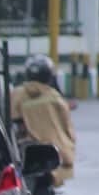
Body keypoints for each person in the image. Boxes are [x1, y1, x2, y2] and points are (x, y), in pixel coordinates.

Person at [10, 55, 76, 186]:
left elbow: (11, 117)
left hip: (23, 149)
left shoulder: (16, 93)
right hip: (51, 151)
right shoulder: (55, 97)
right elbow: (67, 127)